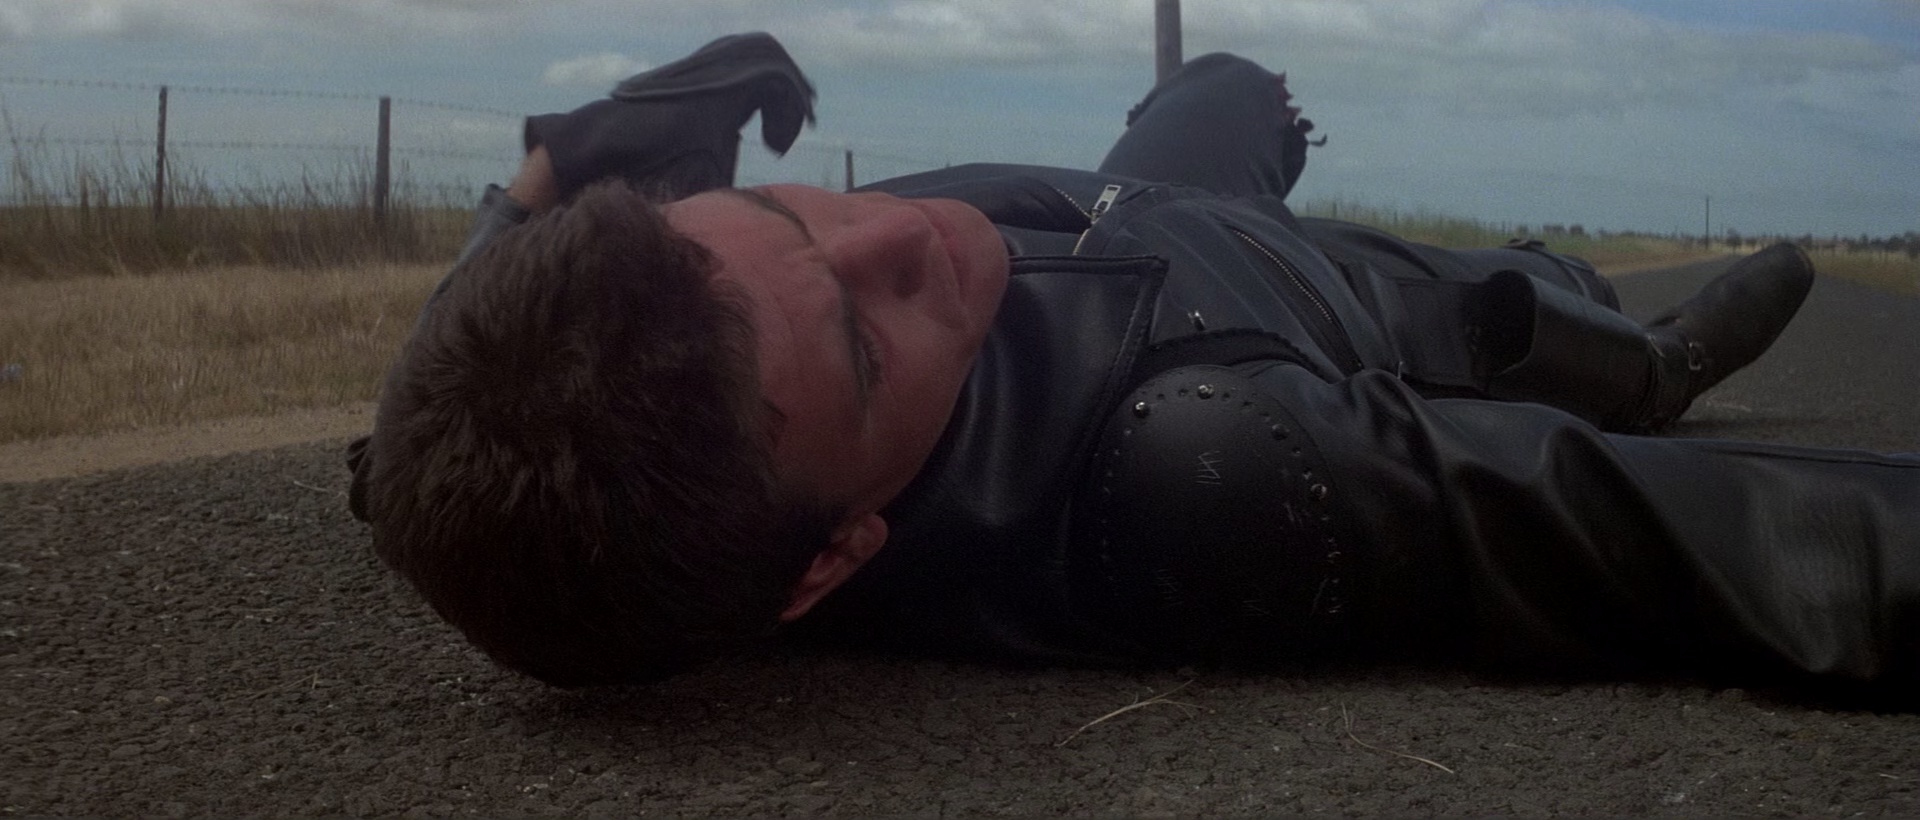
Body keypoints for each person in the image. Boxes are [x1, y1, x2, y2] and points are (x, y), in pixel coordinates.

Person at [347, 33, 1919, 694]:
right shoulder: (1189, 468)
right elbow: (1682, 542)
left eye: (787, 212)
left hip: (1131, 204)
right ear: (832, 559)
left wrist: (557, 169)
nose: (896, 233)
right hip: (1308, 315)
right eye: (864, 341)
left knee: (1232, 83)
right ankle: (1644, 355)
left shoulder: (549, 418)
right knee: (1519, 315)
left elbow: (428, 420)